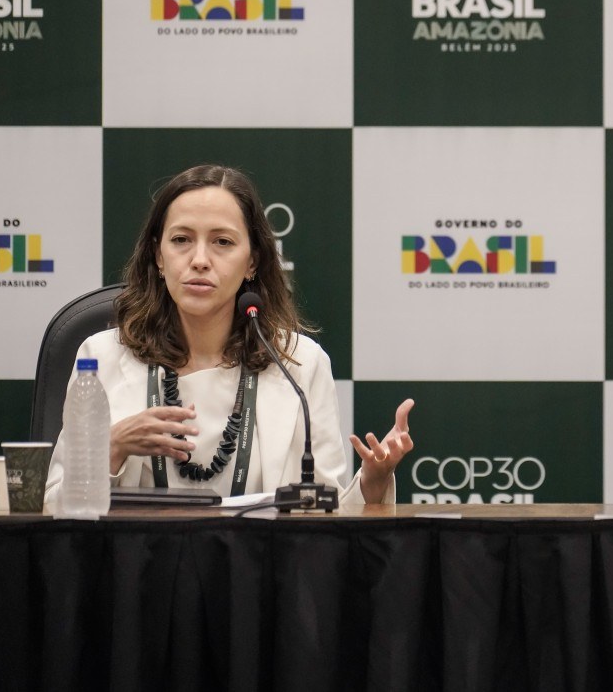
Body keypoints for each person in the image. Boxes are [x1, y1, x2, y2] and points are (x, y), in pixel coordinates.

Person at [45, 164, 414, 505]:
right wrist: (111, 447)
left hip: (261, 555)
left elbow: (320, 517)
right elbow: (53, 507)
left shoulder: (301, 364)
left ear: (252, 261)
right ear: (158, 256)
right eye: (181, 240)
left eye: (222, 242)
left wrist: (373, 483)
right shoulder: (101, 357)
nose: (199, 260)